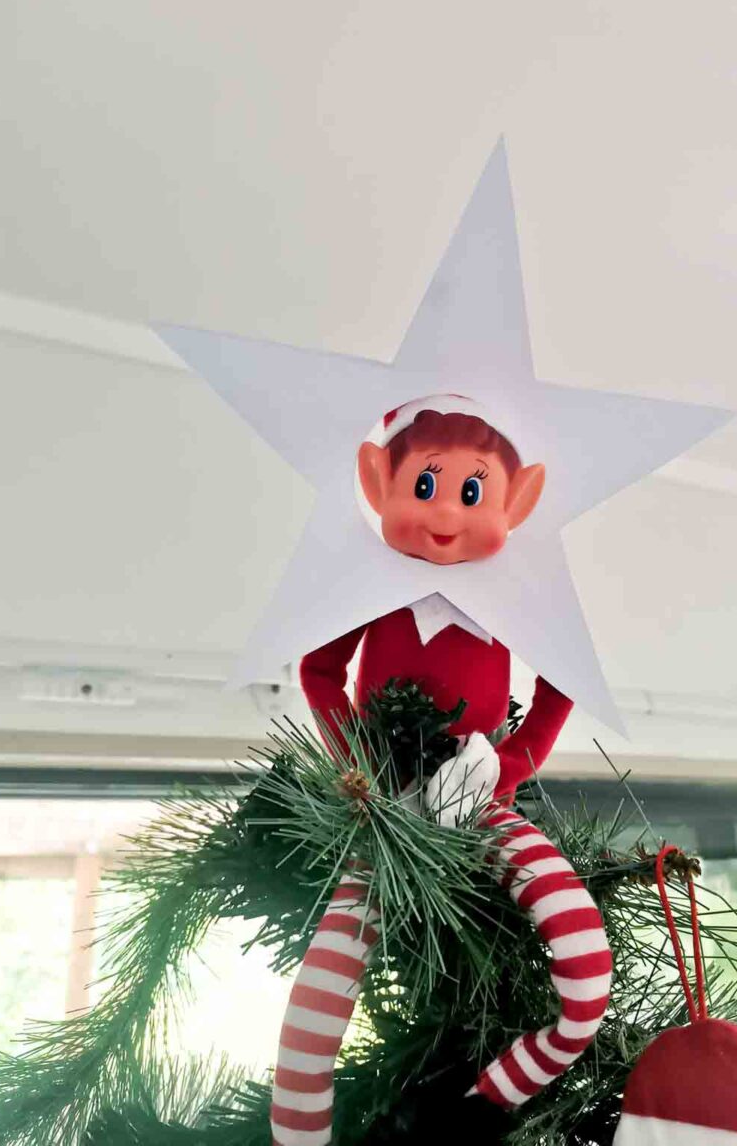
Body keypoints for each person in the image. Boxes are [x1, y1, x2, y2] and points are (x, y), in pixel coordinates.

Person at [270, 396, 613, 1146]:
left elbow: (560, 688)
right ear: (377, 481)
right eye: (424, 485)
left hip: (481, 800)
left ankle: (487, 1100)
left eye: (472, 490)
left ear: (516, 500)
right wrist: (363, 772)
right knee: (318, 1001)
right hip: (386, 812)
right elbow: (320, 671)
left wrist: (507, 768)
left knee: (588, 966)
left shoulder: (517, 599)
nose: (447, 513)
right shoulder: (374, 590)